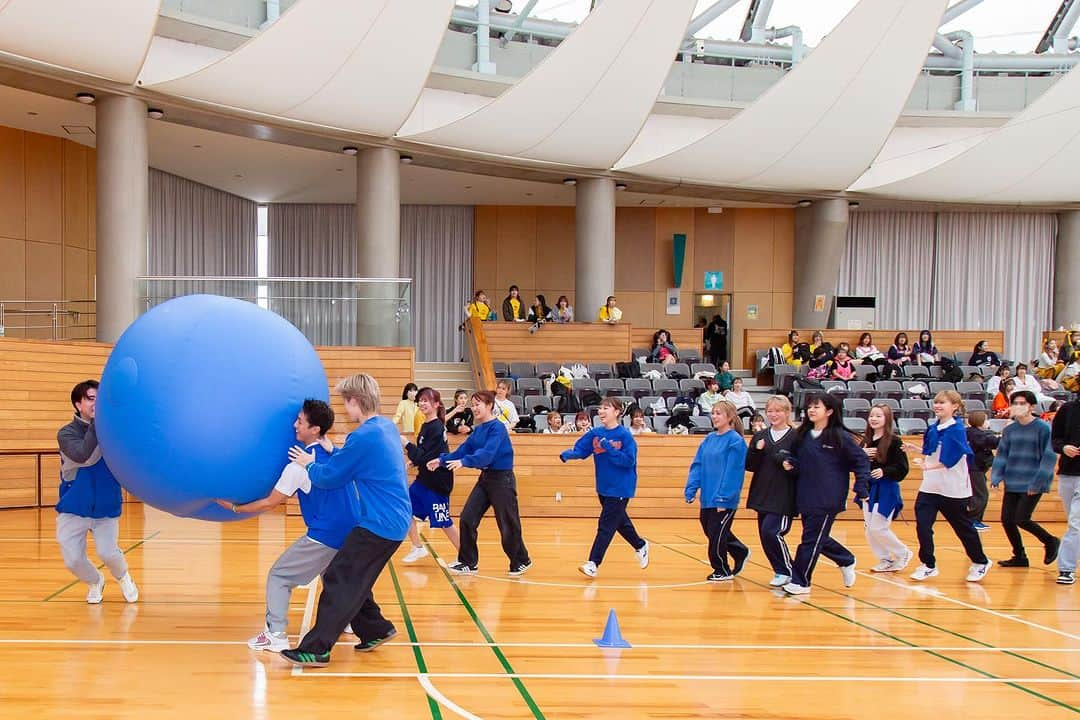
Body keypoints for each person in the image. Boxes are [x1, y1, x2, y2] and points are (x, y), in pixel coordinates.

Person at [280, 373, 413, 668]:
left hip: (380, 523)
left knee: (339, 577)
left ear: (354, 401)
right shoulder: (385, 428)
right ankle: (376, 628)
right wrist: (332, 451)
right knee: (353, 575)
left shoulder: (362, 436)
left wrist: (309, 463)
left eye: (345, 402)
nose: (344, 408)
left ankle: (316, 649)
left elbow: (331, 477)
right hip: (394, 520)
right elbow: (359, 461)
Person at [216, 400, 348, 652]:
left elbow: (269, 503)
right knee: (335, 575)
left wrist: (234, 508)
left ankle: (275, 633)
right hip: (351, 533)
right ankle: (351, 621)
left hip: (325, 535)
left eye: (300, 421)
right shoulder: (336, 455)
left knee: (279, 575)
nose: (294, 425)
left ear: (315, 429)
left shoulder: (298, 466)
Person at [429, 391, 531, 576]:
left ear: (489, 405)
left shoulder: (497, 428)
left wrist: (465, 462)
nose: (474, 408)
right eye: (473, 405)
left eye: (478, 404)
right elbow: (464, 449)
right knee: (468, 517)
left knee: (507, 523)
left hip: (502, 481)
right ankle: (468, 562)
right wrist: (442, 460)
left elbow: (487, 454)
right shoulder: (479, 430)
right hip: (486, 479)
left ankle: (521, 560)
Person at [55, 380, 139, 604]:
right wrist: (99, 423)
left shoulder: (114, 432)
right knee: (72, 560)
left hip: (105, 505)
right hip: (74, 506)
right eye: (91, 399)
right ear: (78, 404)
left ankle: (123, 577)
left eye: (100, 399)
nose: (97, 403)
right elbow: (83, 455)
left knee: (108, 553)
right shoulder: (66, 434)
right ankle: (95, 581)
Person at [781, 393, 867, 595]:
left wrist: (861, 487)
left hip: (828, 497)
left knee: (810, 541)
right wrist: (790, 464)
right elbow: (796, 460)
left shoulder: (840, 437)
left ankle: (801, 581)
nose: (811, 410)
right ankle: (845, 559)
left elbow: (861, 461)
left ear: (829, 411)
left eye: (816, 407)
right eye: (809, 406)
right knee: (816, 537)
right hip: (805, 495)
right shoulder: (803, 436)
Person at [559, 398, 649, 578]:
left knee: (606, 525)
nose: (601, 411)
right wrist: (569, 454)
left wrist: (609, 448)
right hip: (603, 487)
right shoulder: (596, 434)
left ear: (617, 412)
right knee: (620, 522)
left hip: (621, 488)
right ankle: (640, 545)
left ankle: (593, 563)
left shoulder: (624, 436)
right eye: (600, 408)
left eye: (606, 408)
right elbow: (582, 450)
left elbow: (628, 461)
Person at [909, 390, 991, 583]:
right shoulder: (933, 427)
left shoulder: (957, 429)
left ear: (954, 406)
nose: (937, 406)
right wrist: (917, 450)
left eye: (942, 403)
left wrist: (928, 465)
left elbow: (952, 458)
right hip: (930, 487)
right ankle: (928, 564)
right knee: (923, 526)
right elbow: (933, 450)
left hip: (952, 489)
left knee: (963, 528)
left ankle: (980, 561)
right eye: (936, 402)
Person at [991, 390, 1060, 568]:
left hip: (1033, 481)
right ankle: (1019, 555)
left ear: (1032, 406)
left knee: (1021, 518)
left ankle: (1050, 540)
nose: (1018, 406)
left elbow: (1049, 456)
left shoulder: (1043, 428)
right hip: (1013, 480)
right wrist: (997, 475)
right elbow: (1002, 454)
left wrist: (1039, 481)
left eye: (1022, 403)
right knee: (1007, 519)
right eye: (1015, 403)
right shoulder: (1010, 430)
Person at [685, 401, 750, 582]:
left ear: (729, 417)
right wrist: (692, 487)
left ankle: (722, 569)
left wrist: (723, 497)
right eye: (713, 413)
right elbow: (698, 464)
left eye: (718, 413)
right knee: (712, 530)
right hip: (707, 497)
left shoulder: (735, 441)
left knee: (716, 536)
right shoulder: (709, 439)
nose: (714, 416)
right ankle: (739, 550)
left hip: (723, 499)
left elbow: (733, 472)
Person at [401, 388, 461, 565]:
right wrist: (415, 462)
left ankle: (466, 556)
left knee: (444, 522)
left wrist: (406, 445)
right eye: (420, 400)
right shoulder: (427, 426)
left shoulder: (435, 427)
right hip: (424, 480)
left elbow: (425, 456)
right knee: (406, 507)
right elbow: (427, 454)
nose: (422, 403)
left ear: (436, 404)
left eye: (426, 400)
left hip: (437, 483)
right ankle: (418, 547)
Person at [745, 395, 798, 587]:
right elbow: (749, 465)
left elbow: (802, 466)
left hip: (784, 496)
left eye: (778, 411)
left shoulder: (796, 437)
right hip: (763, 493)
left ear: (786, 412)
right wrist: (756, 451)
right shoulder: (760, 436)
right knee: (764, 535)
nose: (773, 415)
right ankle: (780, 571)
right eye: (770, 411)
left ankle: (790, 570)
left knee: (772, 531)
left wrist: (791, 466)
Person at [862, 404, 912, 573]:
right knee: (869, 529)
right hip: (868, 488)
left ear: (887, 419)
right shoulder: (866, 441)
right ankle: (885, 559)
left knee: (878, 526)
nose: (874, 419)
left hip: (886, 488)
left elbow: (902, 468)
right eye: (872, 416)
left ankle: (903, 552)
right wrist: (861, 455)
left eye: (878, 416)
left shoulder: (894, 441)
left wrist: (884, 471)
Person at [1052, 397, 1080, 584]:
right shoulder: (1067, 409)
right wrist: (1063, 447)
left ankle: (1066, 568)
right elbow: (1055, 439)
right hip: (1068, 473)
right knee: (1074, 521)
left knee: (1076, 522)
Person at [965, 410, 999, 533]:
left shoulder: (969, 432)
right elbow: (994, 443)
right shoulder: (977, 434)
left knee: (974, 494)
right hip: (974, 468)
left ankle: (974, 520)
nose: (988, 422)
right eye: (986, 419)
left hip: (973, 468)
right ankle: (973, 521)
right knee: (981, 495)